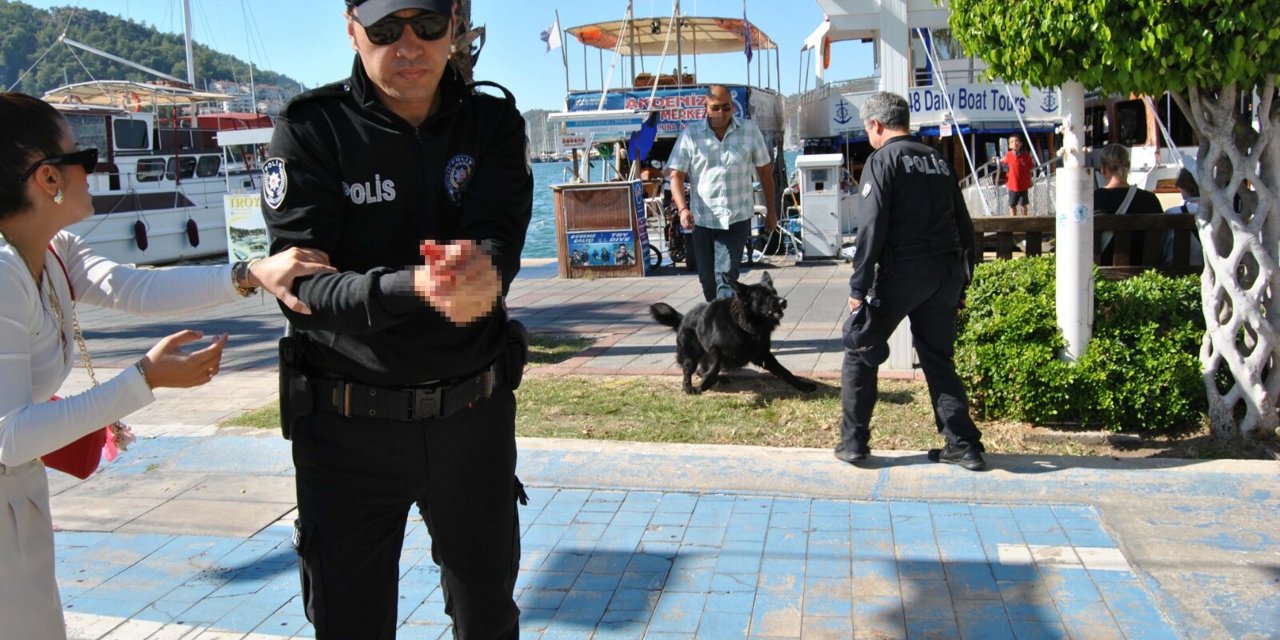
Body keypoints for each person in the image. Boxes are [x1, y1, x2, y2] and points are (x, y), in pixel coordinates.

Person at [0, 91, 332, 640]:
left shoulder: (54, 251)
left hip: (21, 502)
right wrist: (143, 380)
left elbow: (138, 286)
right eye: (80, 157)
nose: (94, 168)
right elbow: (9, 435)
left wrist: (250, 272)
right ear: (47, 179)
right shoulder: (5, 273)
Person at [261, 0, 533, 637]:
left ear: (455, 26)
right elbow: (301, 287)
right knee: (349, 622)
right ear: (351, 29)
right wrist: (419, 284)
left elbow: (495, 255)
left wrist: (373, 286)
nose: (407, 46)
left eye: (427, 26)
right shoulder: (311, 129)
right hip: (347, 427)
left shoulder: (491, 122)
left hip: (472, 419)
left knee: (489, 617)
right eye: (385, 30)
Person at [835, 91, 987, 471]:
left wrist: (858, 287)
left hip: (902, 273)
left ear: (876, 125)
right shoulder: (937, 160)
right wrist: (964, 278)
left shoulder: (881, 160)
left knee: (860, 350)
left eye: (867, 129)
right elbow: (964, 224)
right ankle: (963, 444)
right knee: (938, 358)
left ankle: (854, 442)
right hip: (946, 272)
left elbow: (871, 227)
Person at [668, 84, 778, 301]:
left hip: (735, 219)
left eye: (726, 108)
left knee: (726, 277)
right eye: (715, 108)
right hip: (702, 221)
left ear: (733, 107)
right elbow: (676, 176)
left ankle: (725, 331)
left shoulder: (749, 131)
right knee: (708, 281)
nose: (721, 113)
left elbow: (765, 172)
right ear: (705, 107)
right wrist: (682, 210)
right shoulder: (691, 135)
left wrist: (771, 211)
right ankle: (720, 321)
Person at [1094, 143, 1163, 264]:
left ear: (1103, 169)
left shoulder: (1093, 199)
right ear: (1128, 167)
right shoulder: (1150, 200)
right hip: (1143, 274)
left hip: (1102, 272)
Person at [1163, 167, 1204, 266]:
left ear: (1182, 186)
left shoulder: (1172, 213)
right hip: (1211, 272)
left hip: (1175, 272)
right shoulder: (1218, 213)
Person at [1001, 134, 1033, 216]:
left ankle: (1024, 222)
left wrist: (1030, 180)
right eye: (1012, 142)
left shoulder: (1026, 156)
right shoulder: (1008, 155)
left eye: (1016, 141)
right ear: (1009, 145)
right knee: (1012, 205)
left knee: (1023, 205)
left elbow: (1029, 169)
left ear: (1021, 143)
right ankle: (1012, 223)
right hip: (1012, 185)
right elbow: (1003, 160)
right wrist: (996, 160)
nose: (1015, 143)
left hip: (1023, 185)